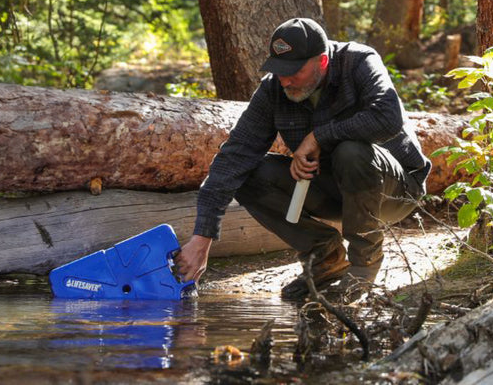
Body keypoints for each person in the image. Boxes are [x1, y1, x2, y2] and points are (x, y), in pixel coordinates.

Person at [174, 17, 431, 300]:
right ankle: (325, 257)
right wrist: (202, 237)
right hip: (336, 192)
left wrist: (320, 136)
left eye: (294, 71)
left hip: (395, 191)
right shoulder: (274, 88)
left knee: (351, 151)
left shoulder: (358, 62)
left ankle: (363, 268)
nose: (285, 79)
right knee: (247, 174)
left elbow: (387, 117)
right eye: (279, 70)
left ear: (322, 62)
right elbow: (234, 156)